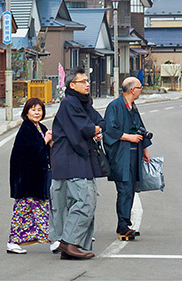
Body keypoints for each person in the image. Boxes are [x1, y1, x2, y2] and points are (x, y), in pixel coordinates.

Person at [50, 67, 105, 260]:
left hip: (79, 160)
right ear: (72, 85)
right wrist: (94, 129)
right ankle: (69, 243)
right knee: (84, 202)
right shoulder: (69, 103)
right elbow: (84, 128)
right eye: (83, 81)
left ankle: (72, 245)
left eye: (88, 81)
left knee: (82, 202)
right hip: (70, 160)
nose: (87, 84)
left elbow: (100, 121)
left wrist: (96, 128)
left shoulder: (82, 103)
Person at [103, 77, 152, 241]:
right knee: (124, 189)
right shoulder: (115, 106)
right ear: (132, 90)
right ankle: (122, 226)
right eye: (139, 87)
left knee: (130, 189)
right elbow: (109, 130)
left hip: (134, 154)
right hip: (121, 155)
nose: (141, 90)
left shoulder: (132, 107)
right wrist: (128, 137)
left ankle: (125, 224)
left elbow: (141, 128)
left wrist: (145, 149)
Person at [7, 97, 53, 254]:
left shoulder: (40, 127)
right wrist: (45, 141)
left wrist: (49, 142)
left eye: (39, 110)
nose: (37, 113)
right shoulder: (26, 130)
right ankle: (52, 240)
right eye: (33, 110)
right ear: (26, 112)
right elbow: (31, 152)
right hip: (26, 179)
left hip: (36, 179)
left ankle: (51, 239)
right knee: (25, 211)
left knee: (36, 211)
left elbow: (44, 151)